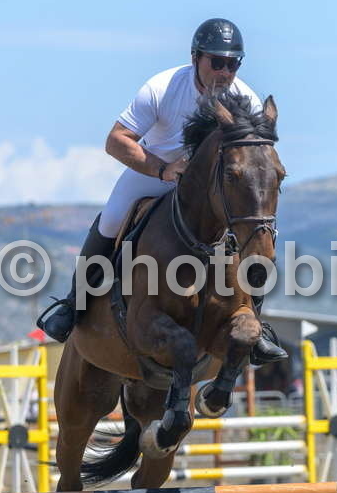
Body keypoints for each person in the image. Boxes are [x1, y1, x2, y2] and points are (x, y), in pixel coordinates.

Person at [37, 18, 287, 364]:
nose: (224, 72)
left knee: (257, 234)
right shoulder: (162, 87)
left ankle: (255, 324)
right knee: (111, 220)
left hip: (211, 188)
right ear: (195, 57)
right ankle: (73, 304)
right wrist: (162, 169)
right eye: (216, 62)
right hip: (156, 170)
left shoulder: (245, 98)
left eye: (232, 64)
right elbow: (116, 141)